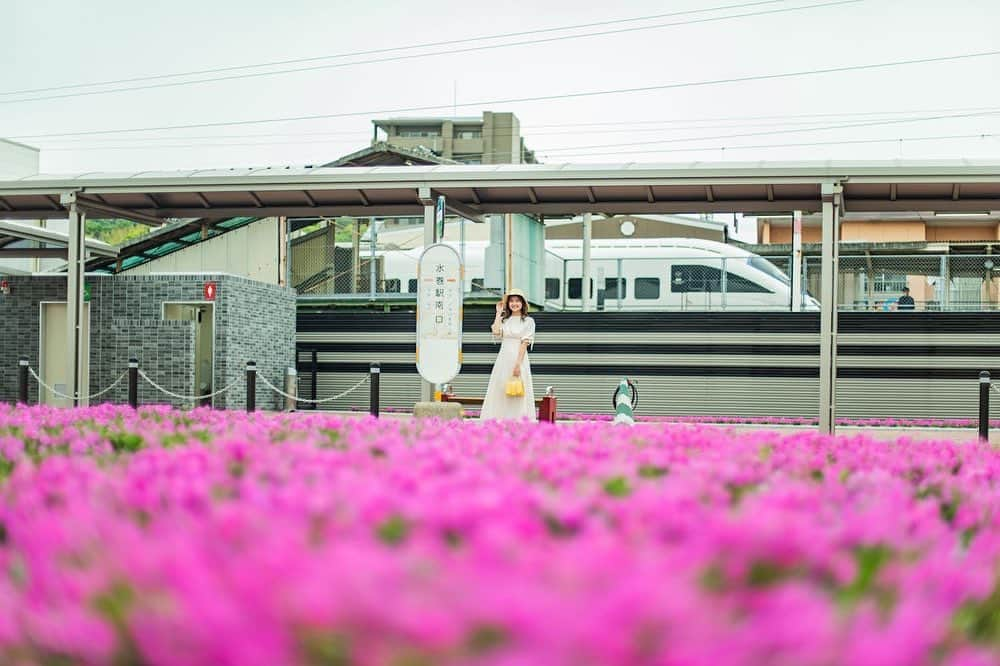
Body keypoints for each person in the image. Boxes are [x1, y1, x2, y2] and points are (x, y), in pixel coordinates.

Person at [480, 288, 536, 421]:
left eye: (517, 301)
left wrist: (518, 364)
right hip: (503, 358)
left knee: (518, 391)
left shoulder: (528, 321)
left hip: (518, 359)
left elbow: (524, 343)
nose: (514, 304)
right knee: (500, 388)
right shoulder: (505, 320)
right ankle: (499, 420)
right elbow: (495, 331)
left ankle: (518, 421)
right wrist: (498, 313)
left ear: (522, 303)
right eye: (511, 301)